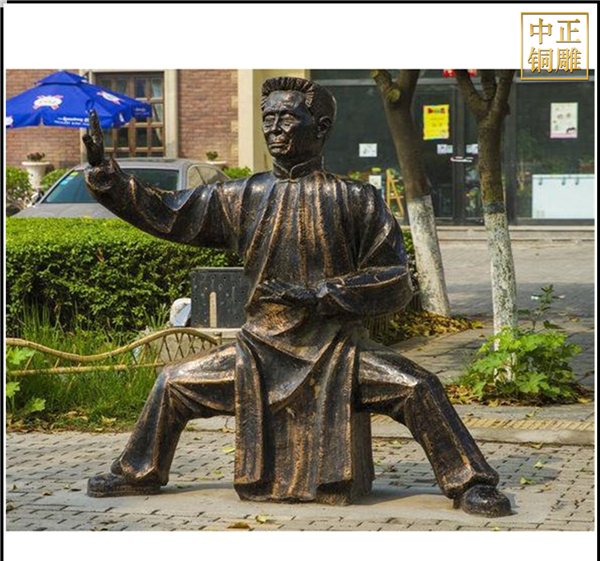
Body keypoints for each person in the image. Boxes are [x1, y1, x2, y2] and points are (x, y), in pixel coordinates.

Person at [84, 76, 511, 517]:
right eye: (268, 118)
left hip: (337, 352)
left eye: (287, 117)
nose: (274, 128)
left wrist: (321, 294)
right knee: (173, 383)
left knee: (418, 386)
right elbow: (170, 212)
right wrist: (106, 176)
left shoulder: (357, 198)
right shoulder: (241, 195)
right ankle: (139, 470)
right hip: (258, 352)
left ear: (320, 127)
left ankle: (470, 482)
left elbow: (395, 280)